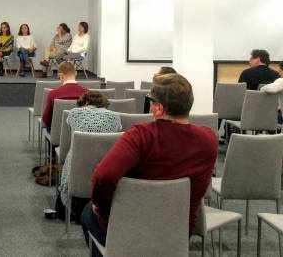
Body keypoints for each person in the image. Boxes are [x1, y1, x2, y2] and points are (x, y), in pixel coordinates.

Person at [82, 73, 218, 255]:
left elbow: (103, 176)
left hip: (131, 229)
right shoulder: (209, 138)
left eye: (151, 101)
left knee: (87, 212)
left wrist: (102, 209)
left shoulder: (140, 136)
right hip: (179, 231)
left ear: (159, 108)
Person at [55, 91, 122, 221]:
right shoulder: (115, 117)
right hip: (104, 170)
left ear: (84, 102)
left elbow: (68, 141)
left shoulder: (74, 113)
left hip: (76, 168)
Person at [42, 61, 89, 131]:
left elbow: (46, 119)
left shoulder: (53, 93)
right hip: (81, 132)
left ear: (60, 76)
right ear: (76, 73)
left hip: (57, 132)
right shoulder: (87, 93)